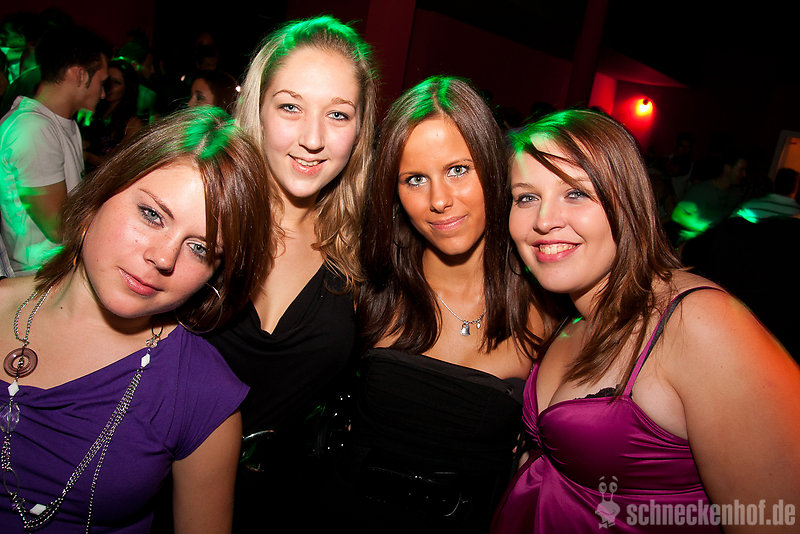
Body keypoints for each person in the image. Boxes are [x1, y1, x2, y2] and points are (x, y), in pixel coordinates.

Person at [493, 109, 800, 533]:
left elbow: (776, 518)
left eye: (576, 193)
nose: (543, 220)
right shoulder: (568, 313)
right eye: (526, 197)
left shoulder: (698, 323)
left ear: (629, 201)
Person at [0, 106, 273, 533]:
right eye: (152, 215)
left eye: (200, 248)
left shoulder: (202, 395)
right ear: (102, 193)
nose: (163, 258)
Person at [338, 75, 547, 533]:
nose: (439, 200)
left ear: (492, 168)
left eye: (458, 170)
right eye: (415, 179)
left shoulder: (545, 307)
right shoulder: (368, 289)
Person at [204, 15, 378, 532]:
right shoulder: (202, 215)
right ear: (257, 109)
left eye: (338, 115)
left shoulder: (363, 252)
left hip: (290, 506)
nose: (313, 138)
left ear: (360, 130)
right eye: (290, 107)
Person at [0, 24, 109, 275]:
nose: (103, 94)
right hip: (37, 278)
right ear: (79, 75)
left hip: (57, 271)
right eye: (101, 82)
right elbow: (58, 227)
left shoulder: (61, 123)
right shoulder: (32, 129)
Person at [82, 58, 145, 171]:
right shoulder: (92, 111)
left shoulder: (133, 123)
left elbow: (118, 164)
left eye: (116, 82)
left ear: (127, 87)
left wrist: (88, 157)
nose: (109, 86)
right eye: (107, 80)